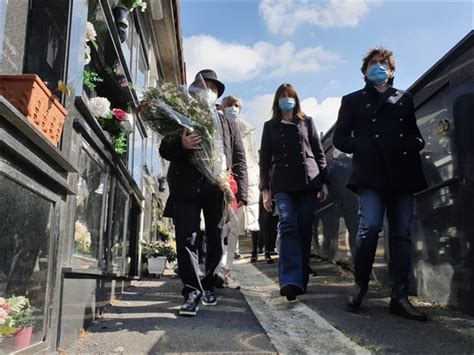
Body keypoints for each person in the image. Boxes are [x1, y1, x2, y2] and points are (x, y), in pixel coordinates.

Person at [333, 47, 428, 321]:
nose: (378, 67)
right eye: (373, 63)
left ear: (392, 70)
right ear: (364, 71)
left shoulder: (405, 99)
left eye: (383, 63)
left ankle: (400, 296)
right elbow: (339, 138)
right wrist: (361, 146)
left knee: (401, 234)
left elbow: (415, 134)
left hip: (402, 173)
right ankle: (360, 285)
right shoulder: (351, 101)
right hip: (370, 173)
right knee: (370, 227)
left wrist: (414, 143)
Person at [160, 69, 247, 316]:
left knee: (217, 238)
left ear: (217, 93)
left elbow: (238, 158)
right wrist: (182, 144)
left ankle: (208, 284)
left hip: (218, 188)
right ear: (193, 92)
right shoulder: (180, 116)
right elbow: (165, 149)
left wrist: (241, 194)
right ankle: (191, 292)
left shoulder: (228, 123)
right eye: (202, 85)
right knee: (186, 239)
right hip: (185, 186)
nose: (206, 90)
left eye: (211, 86)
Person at [259, 83, 329, 301]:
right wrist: (265, 190)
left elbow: (318, 152)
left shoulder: (306, 122)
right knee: (288, 224)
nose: (286, 99)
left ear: (296, 99)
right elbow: (264, 161)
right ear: (277, 101)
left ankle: (301, 278)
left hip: (308, 180)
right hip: (282, 182)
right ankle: (290, 280)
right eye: (282, 96)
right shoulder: (270, 126)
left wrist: (324, 182)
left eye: (290, 96)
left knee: (305, 228)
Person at [219, 95, 260, 289]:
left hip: (239, 183)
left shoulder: (247, 130)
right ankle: (217, 268)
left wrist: (248, 189)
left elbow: (250, 161)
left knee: (234, 228)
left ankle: (226, 271)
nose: (233, 109)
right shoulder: (216, 124)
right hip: (220, 179)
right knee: (220, 227)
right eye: (229, 105)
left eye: (236, 106)